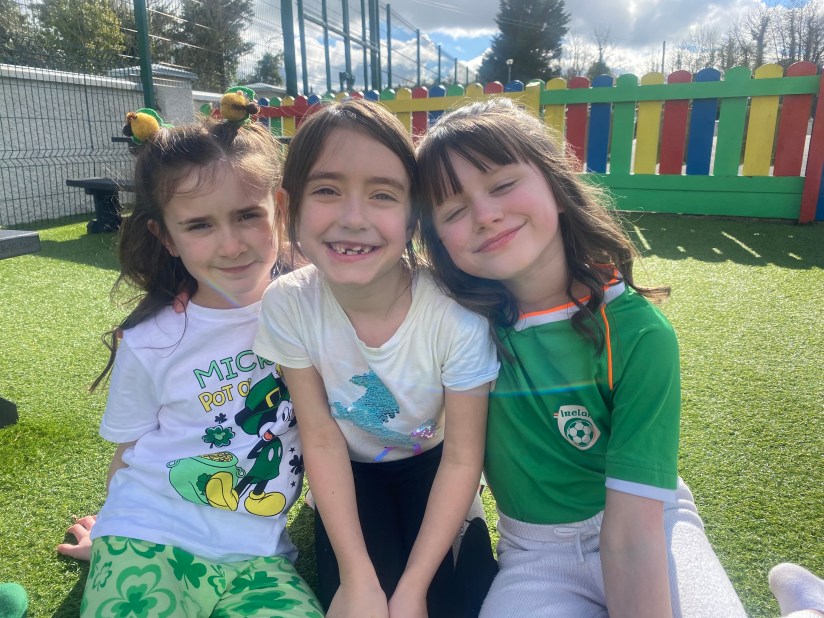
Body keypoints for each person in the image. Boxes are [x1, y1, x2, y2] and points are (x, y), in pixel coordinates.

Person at [416, 96, 747, 618]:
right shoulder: (457, 324)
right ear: (439, 242)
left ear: (557, 185)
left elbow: (633, 532)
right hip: (535, 555)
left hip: (651, 525)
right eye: (454, 211)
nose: (486, 215)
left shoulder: (638, 332)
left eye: (502, 184)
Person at [253, 98, 500, 618]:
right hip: (347, 472)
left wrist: (413, 589)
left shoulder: (455, 316)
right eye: (326, 190)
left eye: (383, 194)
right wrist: (358, 576)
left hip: (435, 465)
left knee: (455, 601)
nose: (353, 218)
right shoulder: (289, 303)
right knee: (361, 601)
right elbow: (321, 437)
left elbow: (462, 456)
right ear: (287, 207)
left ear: (413, 217)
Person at [77, 115, 323, 617]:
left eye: (247, 215)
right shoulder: (150, 342)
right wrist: (111, 536)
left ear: (278, 210)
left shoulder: (317, 306)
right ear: (166, 236)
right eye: (199, 225)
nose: (230, 245)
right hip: (148, 536)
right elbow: (129, 453)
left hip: (260, 556)